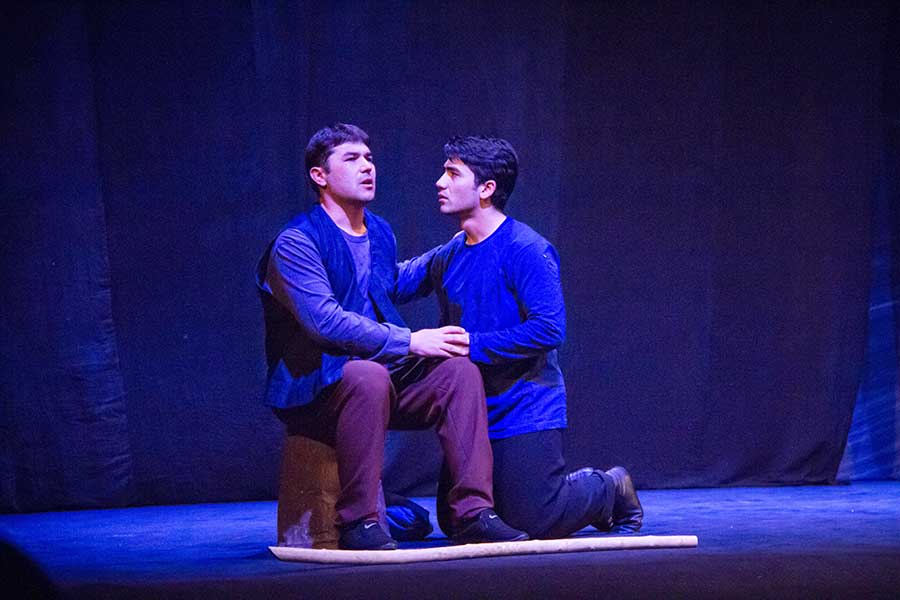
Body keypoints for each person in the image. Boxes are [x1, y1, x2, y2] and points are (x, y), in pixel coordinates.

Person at [256, 124, 527, 550]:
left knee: (458, 372)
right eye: (351, 159)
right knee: (368, 376)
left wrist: (457, 247)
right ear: (319, 176)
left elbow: (387, 284)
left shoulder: (378, 232)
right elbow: (325, 322)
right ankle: (359, 521)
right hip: (316, 389)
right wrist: (411, 340)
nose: (367, 166)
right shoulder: (297, 243)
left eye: (369, 158)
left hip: (380, 380)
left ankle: (473, 512)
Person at [427, 135, 644, 539]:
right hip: (473, 410)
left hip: (522, 405)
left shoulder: (525, 248)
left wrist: (473, 345)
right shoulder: (452, 252)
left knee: (535, 518)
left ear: (486, 189)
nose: (440, 182)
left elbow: (549, 328)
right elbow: (397, 281)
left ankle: (609, 487)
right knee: (455, 519)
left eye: (453, 173)